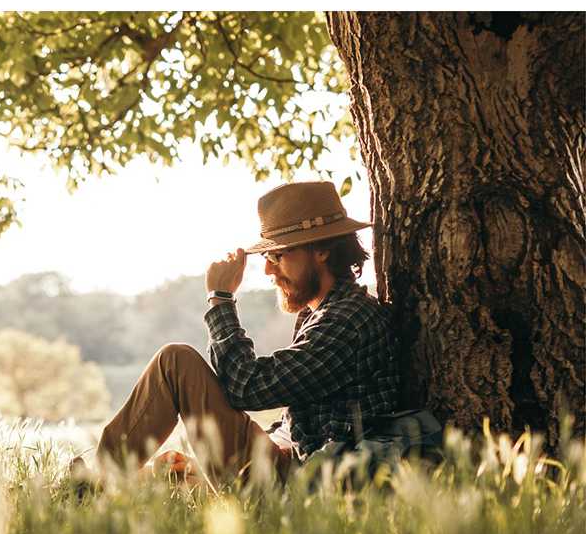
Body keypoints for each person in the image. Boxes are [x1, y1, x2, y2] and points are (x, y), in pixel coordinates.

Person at [75, 180, 400, 488]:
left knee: (175, 363)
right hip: (293, 466)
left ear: (321, 251)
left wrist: (220, 299)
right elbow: (298, 424)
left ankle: (98, 481)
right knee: (166, 474)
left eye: (277, 255)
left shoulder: (348, 320)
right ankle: (104, 479)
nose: (269, 270)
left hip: (307, 484)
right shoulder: (322, 314)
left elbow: (246, 387)